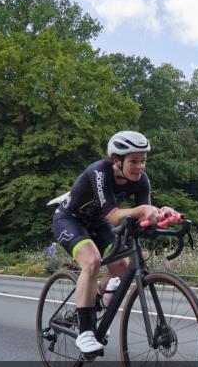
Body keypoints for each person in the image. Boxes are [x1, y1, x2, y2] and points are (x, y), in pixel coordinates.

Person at [49, 131, 176, 354]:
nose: (140, 166)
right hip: (70, 220)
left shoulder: (141, 181)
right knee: (92, 261)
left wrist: (161, 214)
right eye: (134, 161)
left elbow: (142, 215)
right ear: (117, 160)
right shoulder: (99, 171)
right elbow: (115, 216)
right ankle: (86, 331)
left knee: (121, 268)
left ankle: (93, 304)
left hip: (98, 223)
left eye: (143, 160)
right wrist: (144, 210)